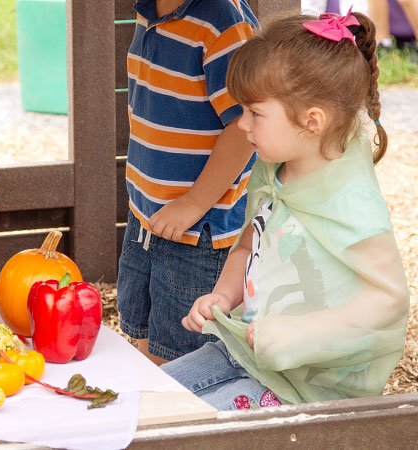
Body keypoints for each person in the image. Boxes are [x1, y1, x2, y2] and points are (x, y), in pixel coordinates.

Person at [161, 11, 410, 411]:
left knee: (187, 428)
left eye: (255, 113)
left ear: (312, 122)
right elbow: (247, 248)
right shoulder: (273, 171)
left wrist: (298, 333)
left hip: (310, 389)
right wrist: (223, 297)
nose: (241, 125)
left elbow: (389, 300)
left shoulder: (350, 201)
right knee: (148, 400)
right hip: (248, 354)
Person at [117, 0, 257, 365]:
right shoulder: (147, 9)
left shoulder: (224, 25)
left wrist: (194, 203)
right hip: (147, 213)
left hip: (198, 229)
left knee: (179, 356)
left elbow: (244, 129)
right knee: (142, 334)